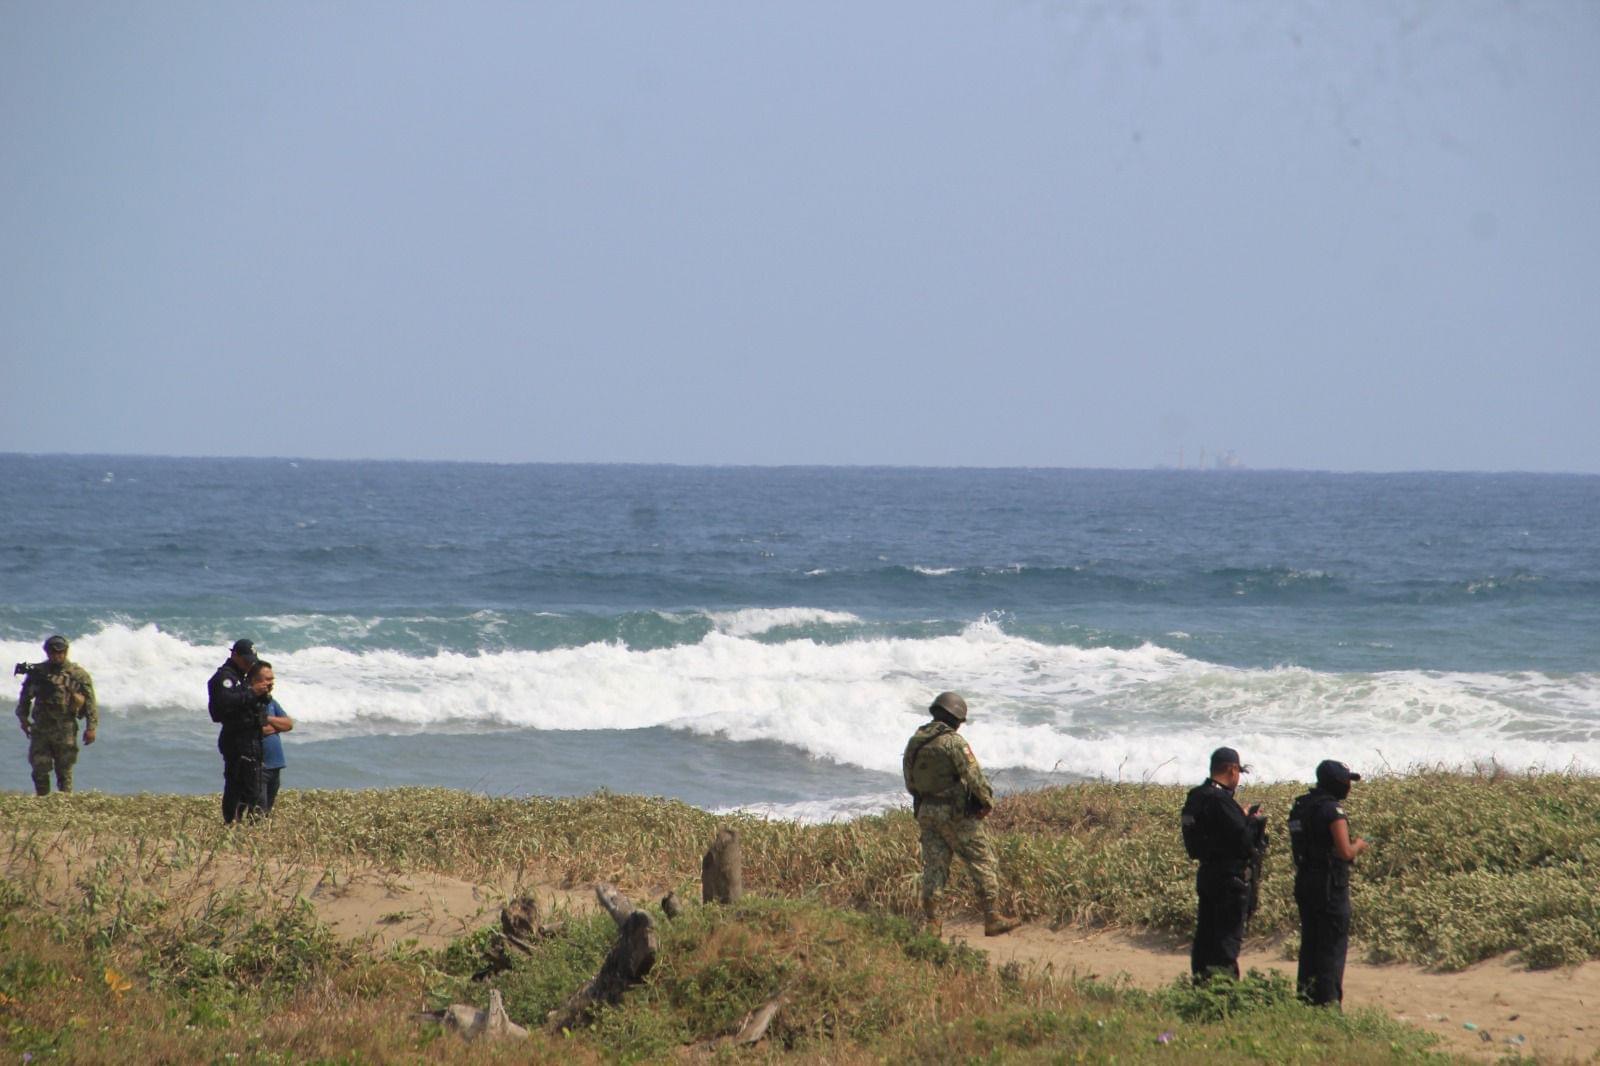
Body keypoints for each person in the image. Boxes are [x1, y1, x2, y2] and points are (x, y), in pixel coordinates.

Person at [901, 691, 1020, 938]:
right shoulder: (954, 742)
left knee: (934, 868)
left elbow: (910, 782)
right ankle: (992, 918)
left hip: (926, 812)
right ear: (955, 719)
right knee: (982, 861)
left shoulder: (915, 741)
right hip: (955, 814)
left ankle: (933, 925)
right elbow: (974, 776)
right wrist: (986, 802)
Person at [1180, 745, 1267, 981]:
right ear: (1231, 770)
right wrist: (1253, 821)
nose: (1238, 779)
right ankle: (1224, 995)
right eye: (1238, 772)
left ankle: (1202, 985)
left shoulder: (1196, 796)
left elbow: (1218, 831)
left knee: (1206, 937)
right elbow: (1244, 840)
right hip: (1229, 880)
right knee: (1226, 941)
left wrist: (1241, 815)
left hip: (1207, 874)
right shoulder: (1220, 800)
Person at [1288, 759, 1370, 1007]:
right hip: (1329, 885)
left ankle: (1306, 999)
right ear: (1336, 783)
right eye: (1347, 781)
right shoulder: (1332, 810)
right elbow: (1345, 851)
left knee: (1311, 943)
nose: (1349, 787)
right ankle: (1328, 1002)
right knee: (1331, 946)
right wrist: (1360, 844)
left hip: (1305, 881)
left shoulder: (1301, 806)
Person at [14, 634, 97, 795]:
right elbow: (25, 697)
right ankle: (43, 803)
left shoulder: (78, 675)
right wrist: (23, 719)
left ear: (66, 652)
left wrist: (91, 728)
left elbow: (90, 702)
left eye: (60, 652)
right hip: (41, 728)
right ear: (47, 652)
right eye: (53, 652)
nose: (56, 656)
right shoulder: (37, 672)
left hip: (65, 728)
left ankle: (64, 805)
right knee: (40, 767)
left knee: (64, 770)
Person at [210, 639, 268, 823]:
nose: (249, 664)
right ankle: (233, 823)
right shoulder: (225, 678)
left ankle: (246, 823)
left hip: (250, 738)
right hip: (236, 739)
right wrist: (252, 692)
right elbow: (225, 704)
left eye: (251, 660)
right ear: (235, 655)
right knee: (239, 786)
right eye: (246, 660)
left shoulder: (241, 677)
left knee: (251, 785)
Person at [247, 660, 294, 814]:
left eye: (272, 679)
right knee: (257, 813)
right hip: (260, 767)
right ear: (255, 680)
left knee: (266, 811)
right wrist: (274, 726)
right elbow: (259, 730)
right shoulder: (248, 701)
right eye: (267, 679)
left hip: (275, 765)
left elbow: (288, 724)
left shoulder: (271, 701)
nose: (271, 683)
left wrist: (269, 719)